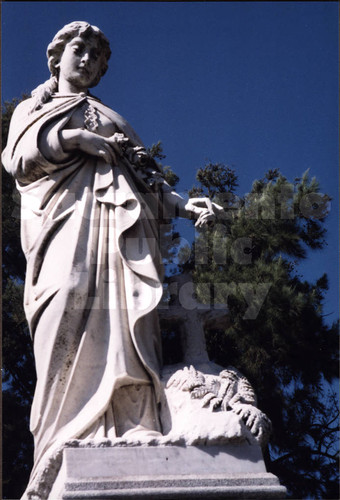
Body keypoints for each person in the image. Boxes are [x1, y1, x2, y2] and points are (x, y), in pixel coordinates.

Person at [2, 21, 217, 499]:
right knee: (66, 305)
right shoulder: (33, 110)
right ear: (56, 57)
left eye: (96, 57)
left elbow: (148, 179)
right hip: (62, 228)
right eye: (79, 50)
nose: (87, 60)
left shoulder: (112, 117)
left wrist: (185, 204)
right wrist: (78, 141)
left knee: (125, 316)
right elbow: (17, 159)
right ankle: (60, 437)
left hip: (120, 233)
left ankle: (135, 420)